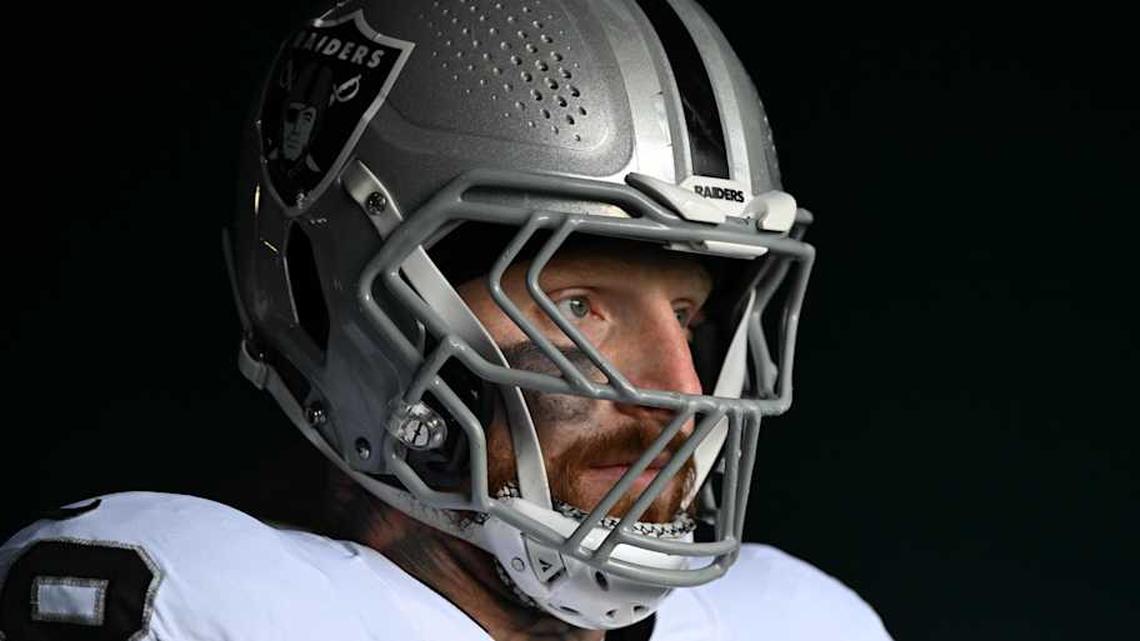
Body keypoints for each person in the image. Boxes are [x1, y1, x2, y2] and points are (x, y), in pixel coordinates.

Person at [0, 1, 893, 639]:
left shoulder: (802, 620)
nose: (680, 389)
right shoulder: (208, 599)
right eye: (576, 303)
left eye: (689, 314)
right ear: (331, 298)